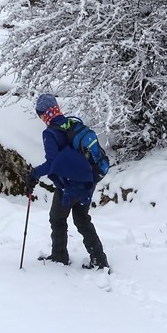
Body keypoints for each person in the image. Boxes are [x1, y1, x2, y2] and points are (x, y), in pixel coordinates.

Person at [25, 93, 109, 270]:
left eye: (40, 114)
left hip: (69, 185)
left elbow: (51, 163)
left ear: (44, 114)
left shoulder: (50, 133)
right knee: (82, 220)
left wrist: (34, 174)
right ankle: (100, 260)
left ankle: (59, 256)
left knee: (57, 219)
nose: (40, 119)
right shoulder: (73, 123)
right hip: (88, 180)